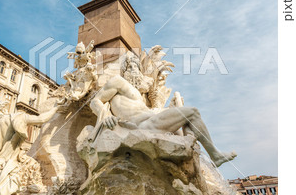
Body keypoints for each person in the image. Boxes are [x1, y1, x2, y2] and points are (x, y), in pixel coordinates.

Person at [90, 54, 237, 167]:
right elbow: (95, 101)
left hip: (151, 123)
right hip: (143, 127)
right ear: (124, 70)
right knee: (192, 112)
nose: (134, 69)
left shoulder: (138, 96)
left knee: (185, 119)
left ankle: (191, 145)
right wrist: (105, 116)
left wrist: (168, 109)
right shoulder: (118, 81)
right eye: (130, 66)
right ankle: (215, 155)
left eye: (136, 65)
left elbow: (148, 112)